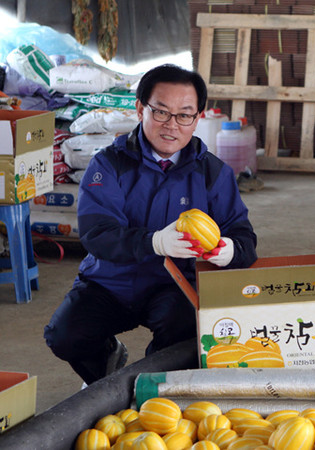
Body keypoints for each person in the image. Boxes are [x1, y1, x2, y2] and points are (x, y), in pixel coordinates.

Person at [44, 64, 257, 385]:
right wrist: (154, 242)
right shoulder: (108, 165)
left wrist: (229, 251)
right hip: (109, 283)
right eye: (161, 112)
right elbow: (96, 235)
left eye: (185, 115)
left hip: (174, 285)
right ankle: (105, 368)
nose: (172, 125)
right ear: (140, 108)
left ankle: (147, 386)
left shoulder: (213, 173)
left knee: (187, 334)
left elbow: (244, 239)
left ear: (198, 118)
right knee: (65, 335)